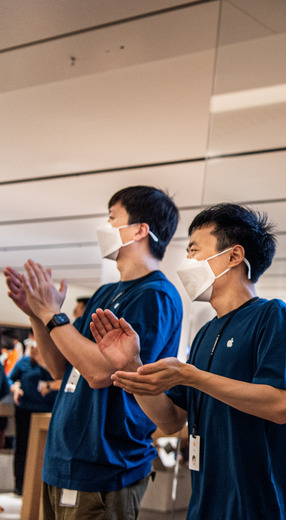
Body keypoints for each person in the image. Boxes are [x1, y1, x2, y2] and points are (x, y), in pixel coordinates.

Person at [91, 203, 286, 519]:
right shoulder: (206, 333)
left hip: (254, 506)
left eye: (193, 250)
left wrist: (190, 376)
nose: (187, 261)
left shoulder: (272, 315)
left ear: (233, 256)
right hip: (204, 501)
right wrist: (132, 364)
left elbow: (279, 404)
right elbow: (172, 419)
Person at [4, 185, 182, 519]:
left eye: (113, 217)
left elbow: (102, 372)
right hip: (63, 460)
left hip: (105, 466)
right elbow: (61, 367)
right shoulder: (106, 292)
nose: (105, 226)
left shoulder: (155, 295)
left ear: (140, 230)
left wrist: (52, 316)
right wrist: (36, 314)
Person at [9, 334, 57, 495]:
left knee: (42, 450)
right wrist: (15, 387)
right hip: (24, 410)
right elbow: (10, 379)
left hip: (46, 411)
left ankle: (38, 487)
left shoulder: (53, 363)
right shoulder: (23, 362)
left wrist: (43, 362)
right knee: (22, 446)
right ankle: (19, 484)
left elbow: (59, 379)